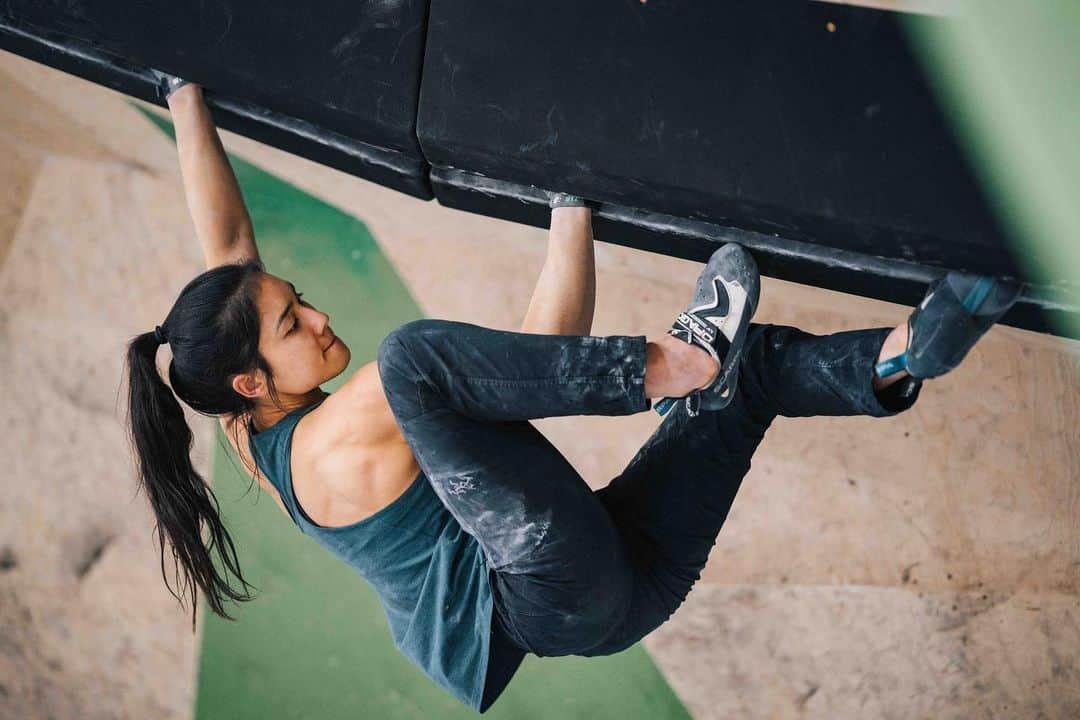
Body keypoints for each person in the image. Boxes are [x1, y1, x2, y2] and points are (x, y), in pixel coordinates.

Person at [125, 75, 1021, 712]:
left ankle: (904, 352)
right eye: (293, 326)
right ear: (251, 379)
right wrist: (578, 222)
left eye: (297, 300)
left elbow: (231, 255)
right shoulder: (337, 438)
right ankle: (678, 361)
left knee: (747, 380)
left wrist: (183, 91)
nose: (316, 315)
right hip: (542, 583)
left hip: (614, 597)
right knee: (409, 361)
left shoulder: (241, 415)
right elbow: (537, 361)